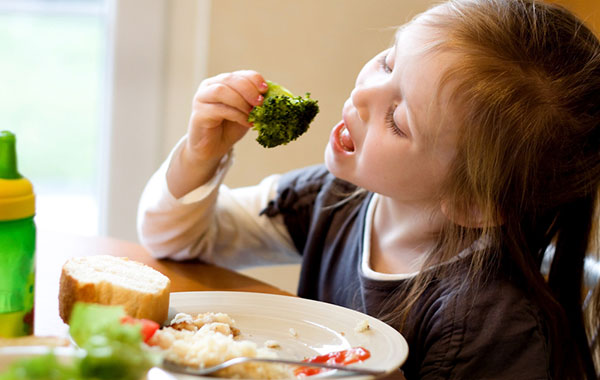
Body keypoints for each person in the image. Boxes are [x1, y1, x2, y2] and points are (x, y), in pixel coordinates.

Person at [137, 0, 600, 378]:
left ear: (470, 202)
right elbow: (178, 241)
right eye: (387, 62)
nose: (361, 95)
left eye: (398, 121)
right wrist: (200, 156)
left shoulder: (488, 327)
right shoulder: (335, 197)